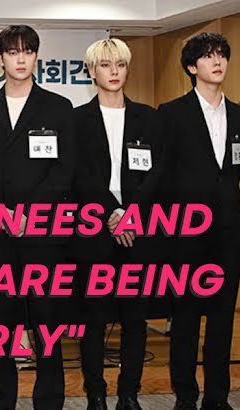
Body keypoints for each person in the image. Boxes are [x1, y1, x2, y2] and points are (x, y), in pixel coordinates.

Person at [0, 24, 75, 410]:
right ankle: (0, 402)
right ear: (0, 60)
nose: (21, 59)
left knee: (47, 324)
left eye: (27, 51)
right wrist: (1, 211)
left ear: (36, 57)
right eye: (12, 52)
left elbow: (64, 170)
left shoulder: (59, 107)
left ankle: (50, 401)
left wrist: (29, 214)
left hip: (44, 233)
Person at [73, 38, 166, 410]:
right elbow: (78, 175)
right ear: (92, 71)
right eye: (105, 65)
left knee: (135, 319)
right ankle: (95, 394)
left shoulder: (150, 118)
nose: (114, 72)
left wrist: (130, 214)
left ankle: (129, 394)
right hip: (94, 231)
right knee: (93, 320)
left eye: (120, 64)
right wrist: (112, 213)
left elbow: (158, 173)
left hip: (138, 232)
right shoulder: (76, 120)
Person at [159, 32, 240, 410]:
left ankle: (217, 397)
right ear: (192, 67)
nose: (217, 61)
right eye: (208, 56)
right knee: (187, 318)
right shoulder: (171, 113)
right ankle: (185, 395)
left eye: (221, 54)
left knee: (223, 318)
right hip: (185, 232)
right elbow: (162, 175)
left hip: (229, 231)